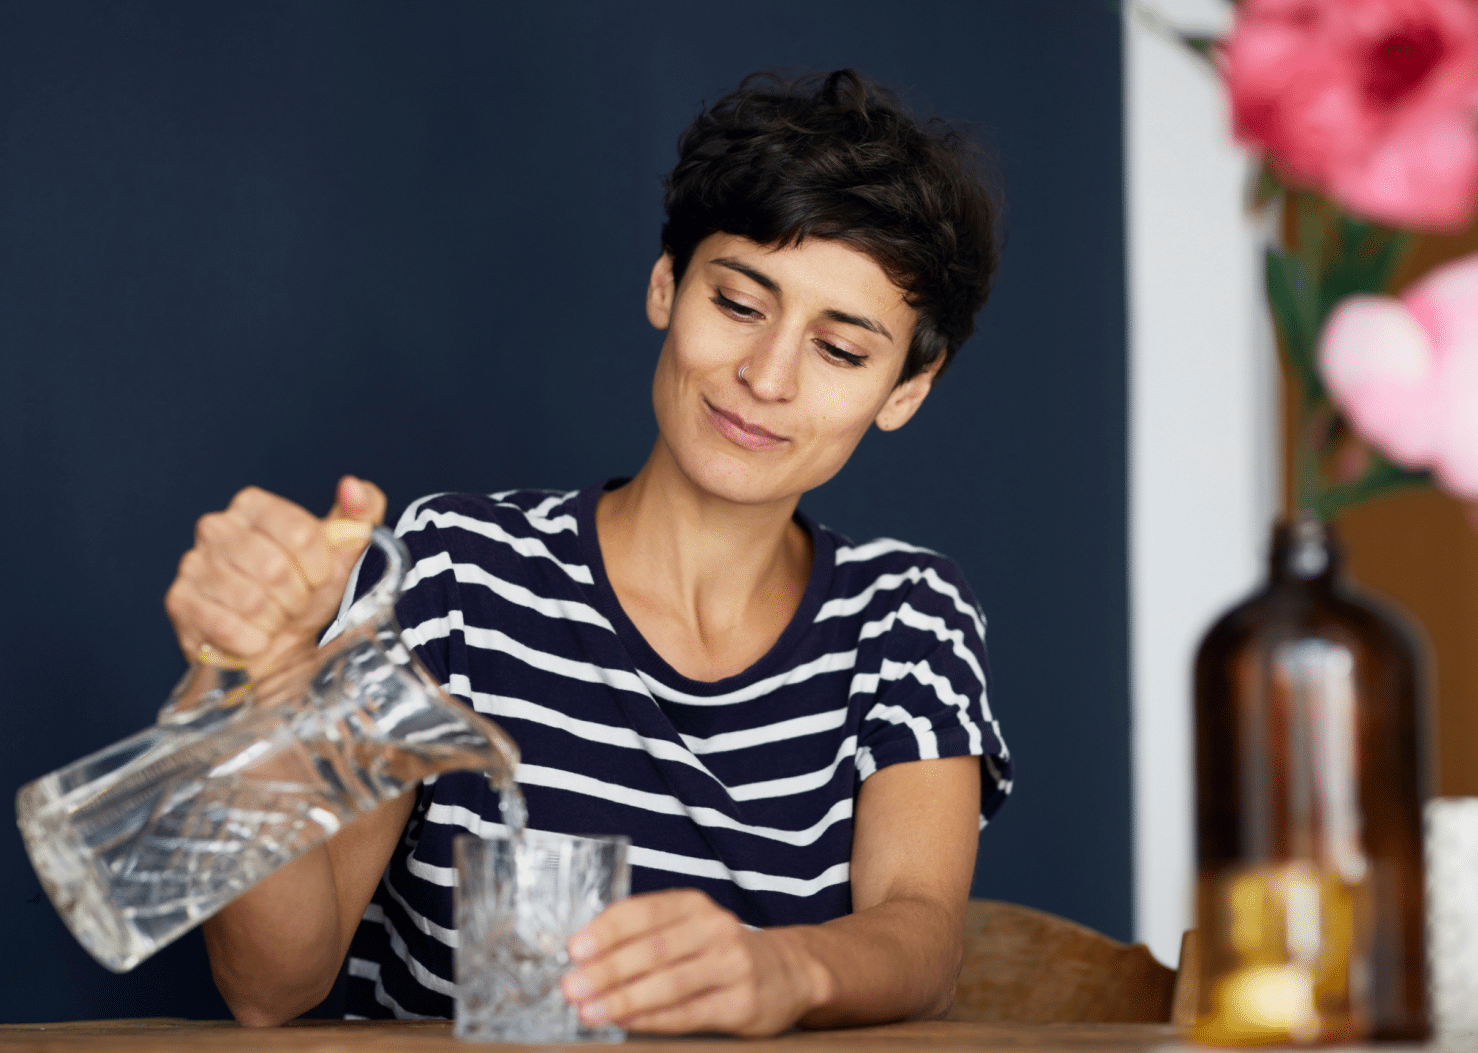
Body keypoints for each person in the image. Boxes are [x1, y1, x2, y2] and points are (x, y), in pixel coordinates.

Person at [165, 69, 1011, 1036]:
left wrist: (782, 968)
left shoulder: (909, 621)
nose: (767, 376)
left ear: (906, 388)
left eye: (842, 351)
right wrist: (252, 695)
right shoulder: (454, 574)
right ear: (667, 284)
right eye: (740, 303)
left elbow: (923, 940)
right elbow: (273, 986)